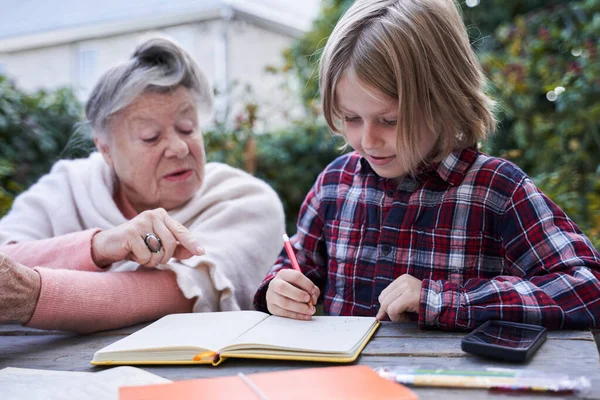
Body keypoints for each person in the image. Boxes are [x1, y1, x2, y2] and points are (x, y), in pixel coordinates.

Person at [254, 0, 600, 330]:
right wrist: (278, 289)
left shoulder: (496, 191)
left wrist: (443, 300)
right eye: (351, 118)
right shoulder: (335, 183)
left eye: (390, 120)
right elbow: (295, 264)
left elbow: (588, 287)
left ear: (445, 100)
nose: (369, 140)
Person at [0, 37, 285, 333]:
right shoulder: (69, 185)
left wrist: (33, 294)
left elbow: (173, 293)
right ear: (106, 150)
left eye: (187, 128)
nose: (179, 148)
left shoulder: (246, 201)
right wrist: (100, 245)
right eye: (151, 136)